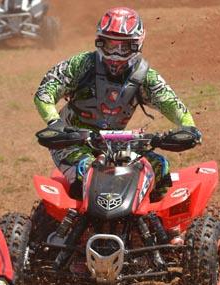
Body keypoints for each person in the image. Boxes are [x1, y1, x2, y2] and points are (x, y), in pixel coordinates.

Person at [33, 7, 200, 200]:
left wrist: (188, 126)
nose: (116, 54)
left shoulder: (146, 77)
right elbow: (45, 91)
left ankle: (160, 228)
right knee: (86, 173)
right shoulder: (82, 64)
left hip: (115, 144)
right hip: (71, 141)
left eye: (124, 47)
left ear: (137, 44)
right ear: (99, 42)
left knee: (159, 167)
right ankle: (70, 227)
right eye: (110, 45)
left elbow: (171, 103)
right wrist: (55, 123)